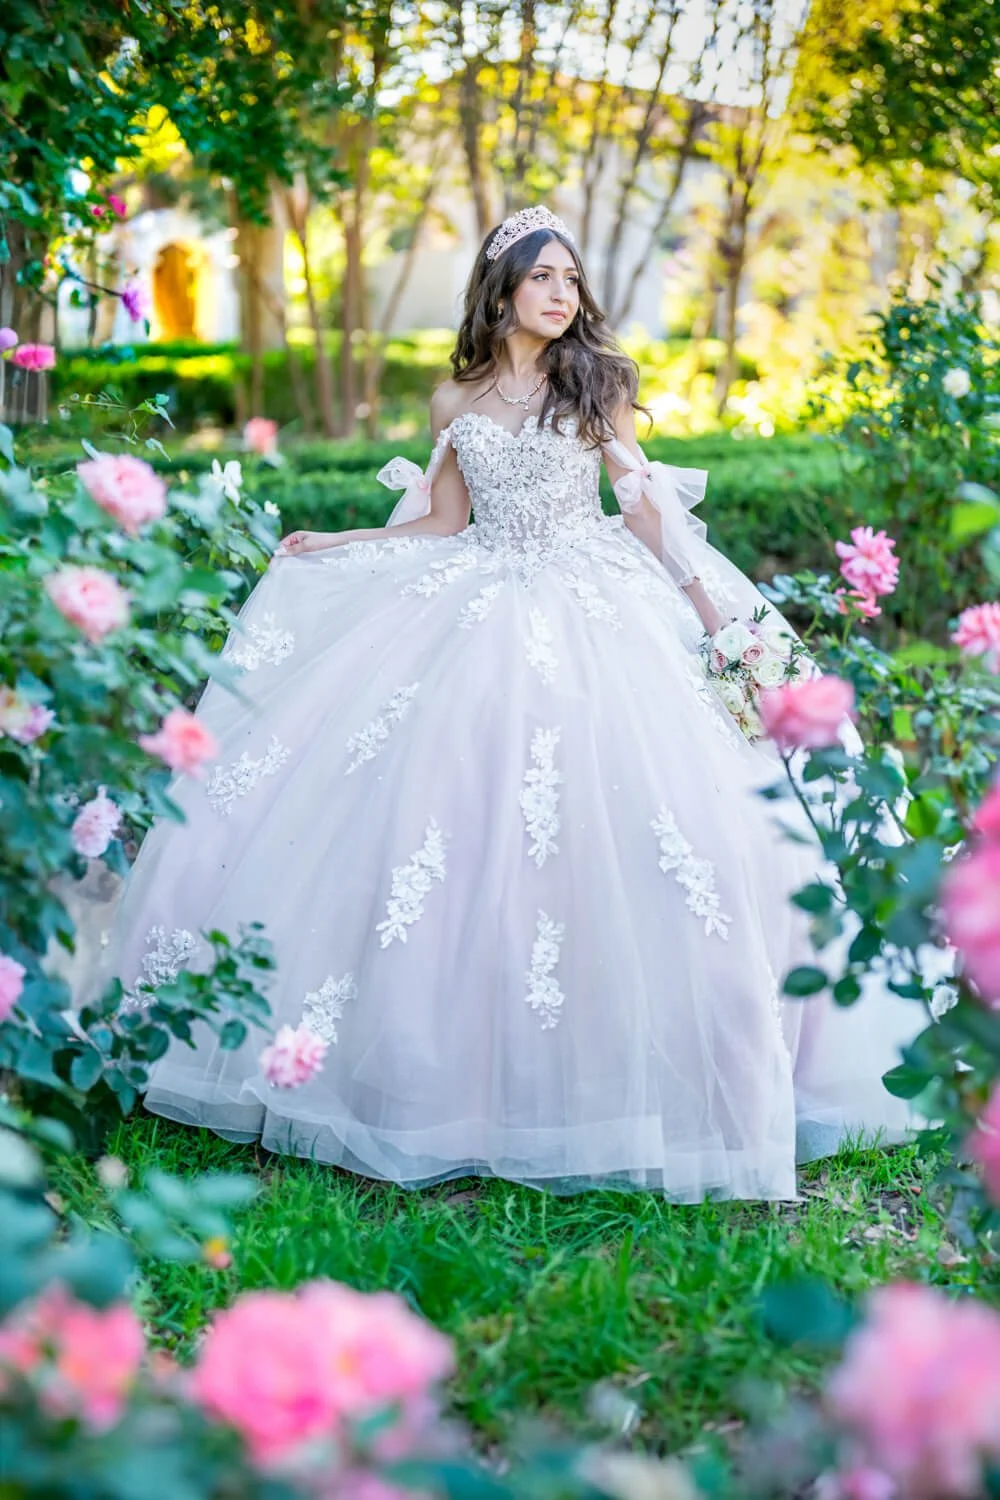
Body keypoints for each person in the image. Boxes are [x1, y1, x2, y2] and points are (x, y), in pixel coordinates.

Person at [94, 206, 916, 1201]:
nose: (563, 294)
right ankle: (444, 1077)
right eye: (542, 278)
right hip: (474, 594)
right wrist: (342, 545)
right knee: (437, 805)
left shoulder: (596, 383)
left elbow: (644, 507)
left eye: (571, 278)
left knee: (654, 816)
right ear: (500, 291)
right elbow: (444, 521)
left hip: (594, 599)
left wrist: (711, 617)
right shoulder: (457, 398)